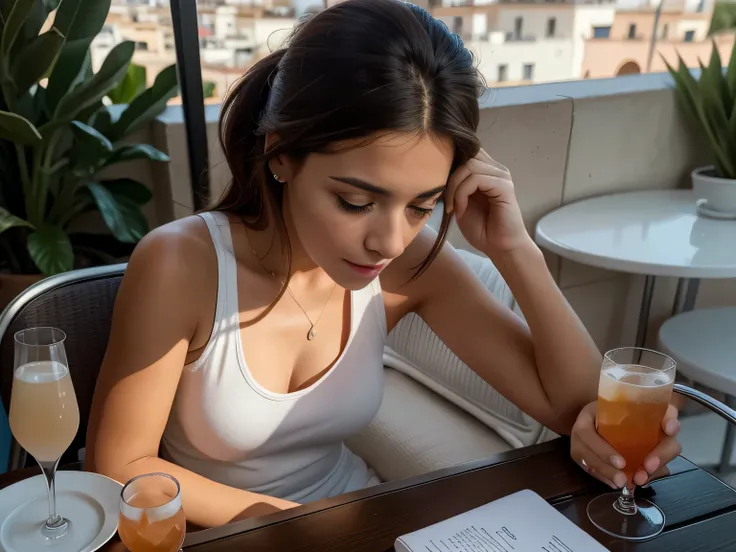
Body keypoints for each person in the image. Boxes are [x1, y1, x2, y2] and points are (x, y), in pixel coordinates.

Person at [86, 0, 681, 528]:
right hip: (233, 535)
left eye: (422, 206)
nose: (389, 241)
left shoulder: (410, 263)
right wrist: (296, 525)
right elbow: (120, 466)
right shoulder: (181, 265)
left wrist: (515, 249)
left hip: (359, 521)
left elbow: (575, 407)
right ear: (281, 155)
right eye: (355, 202)